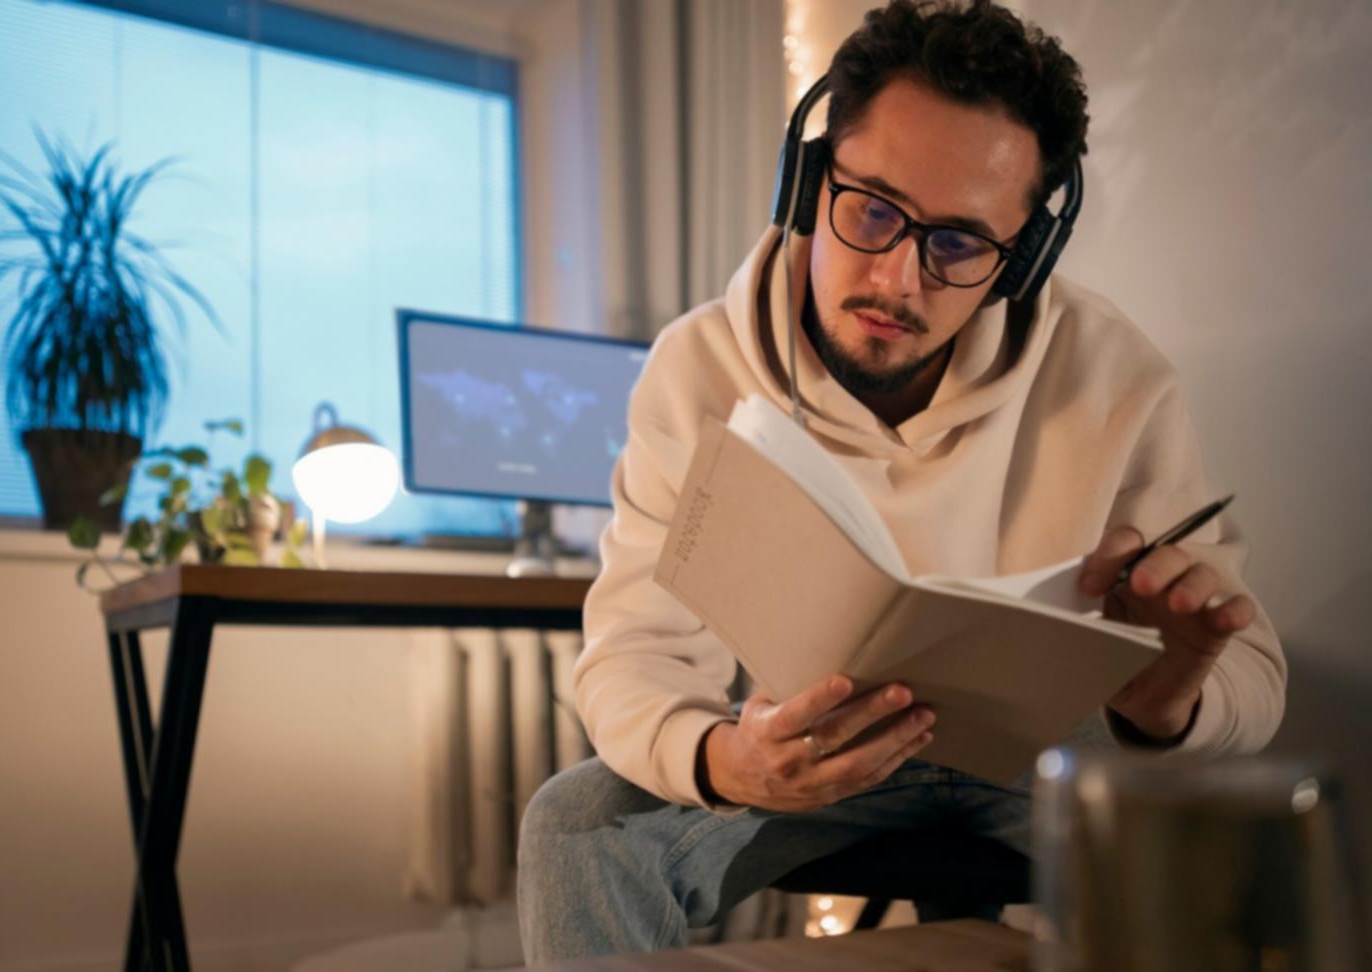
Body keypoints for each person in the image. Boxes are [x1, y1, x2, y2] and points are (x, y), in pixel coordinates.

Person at [517, 0, 1287, 963]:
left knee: (1225, 845)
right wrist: (729, 761)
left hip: (1054, 754)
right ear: (807, 182)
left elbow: (1255, 680)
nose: (896, 280)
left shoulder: (1116, 375)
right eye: (872, 210)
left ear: (1024, 259)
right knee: (575, 823)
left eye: (959, 243)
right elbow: (633, 653)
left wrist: (1169, 699)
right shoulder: (696, 368)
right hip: (823, 758)